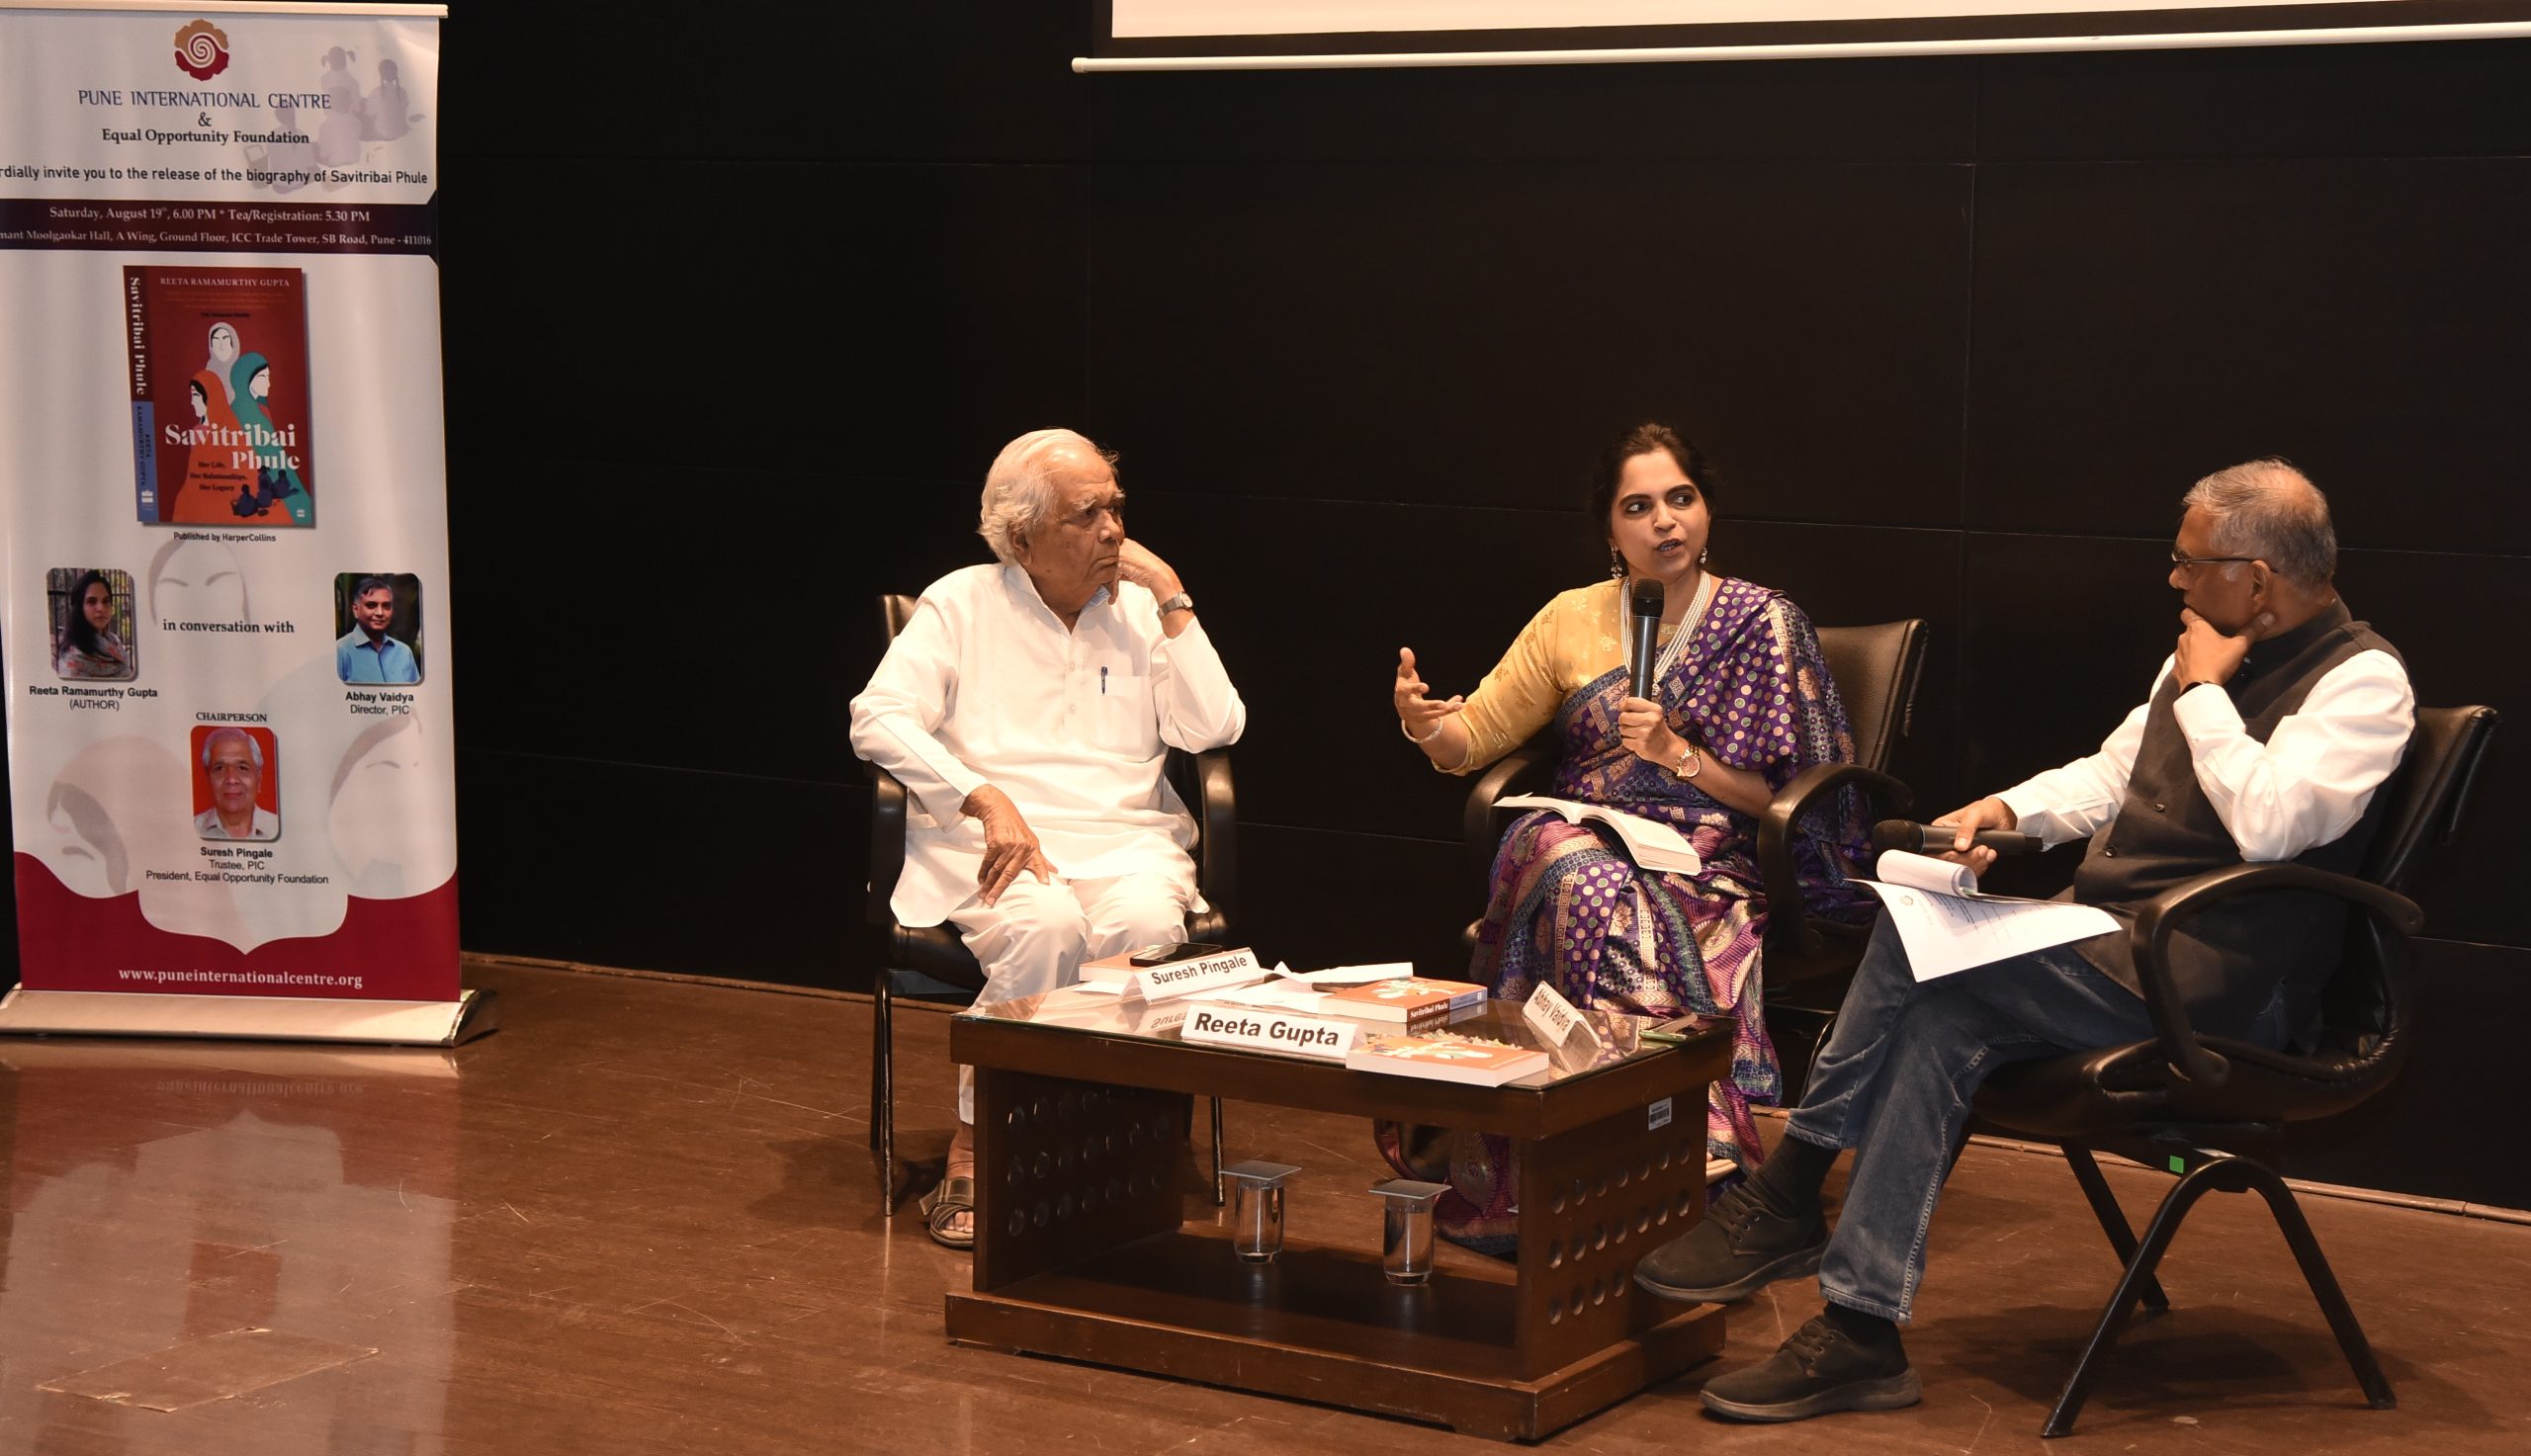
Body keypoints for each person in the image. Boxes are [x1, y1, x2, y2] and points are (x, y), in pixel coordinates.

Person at [1634, 459, 2414, 1422]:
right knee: (1939, 1006)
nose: (2172, 578)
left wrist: (2206, 694)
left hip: (2220, 986)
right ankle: (1861, 1329)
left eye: (2189, 562)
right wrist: (2007, 811)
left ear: (2255, 579)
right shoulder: (2205, 654)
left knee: (1919, 951)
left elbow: (2271, 824)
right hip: (2119, 950)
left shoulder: (2363, 683)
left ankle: (1790, 1190)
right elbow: (2113, 773)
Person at [1388, 422, 1872, 1249]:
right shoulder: (1570, 618)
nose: (1664, 522)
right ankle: (1611, 1149)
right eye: (1638, 507)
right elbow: (1473, 741)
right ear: (1610, 531)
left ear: (1707, 508)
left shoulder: (1765, 623)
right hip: (1588, 836)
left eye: (1680, 498)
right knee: (1564, 856)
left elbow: (1795, 801)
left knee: (1587, 885)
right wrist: (1423, 723)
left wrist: (1680, 756)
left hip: (1714, 858)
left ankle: (1639, 1150)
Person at [849, 428, 1247, 1249]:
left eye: (1117, 509)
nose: (1113, 530)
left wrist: (1172, 595)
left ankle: (1097, 1136)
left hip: (1127, 842)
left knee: (1145, 928)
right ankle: (978, 1139)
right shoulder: (960, 603)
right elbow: (876, 717)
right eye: (1086, 514)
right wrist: (981, 793)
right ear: (1021, 535)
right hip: (997, 842)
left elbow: (1216, 726)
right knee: (1047, 925)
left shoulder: (1141, 610)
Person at [194, 728, 281, 841]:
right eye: (219, 768)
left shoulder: (278, 828)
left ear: (258, 779)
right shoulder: (191, 829)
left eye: (242, 768)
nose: (231, 779)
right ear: (208, 778)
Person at [336, 576, 420, 683]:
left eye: (386, 606)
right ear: (355, 610)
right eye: (371, 605)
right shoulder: (341, 651)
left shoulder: (404, 652)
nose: (380, 613)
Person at [54, 570, 135, 681]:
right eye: (91, 601)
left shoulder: (115, 642)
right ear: (80, 608)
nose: (101, 608)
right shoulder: (71, 661)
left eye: (106, 601)